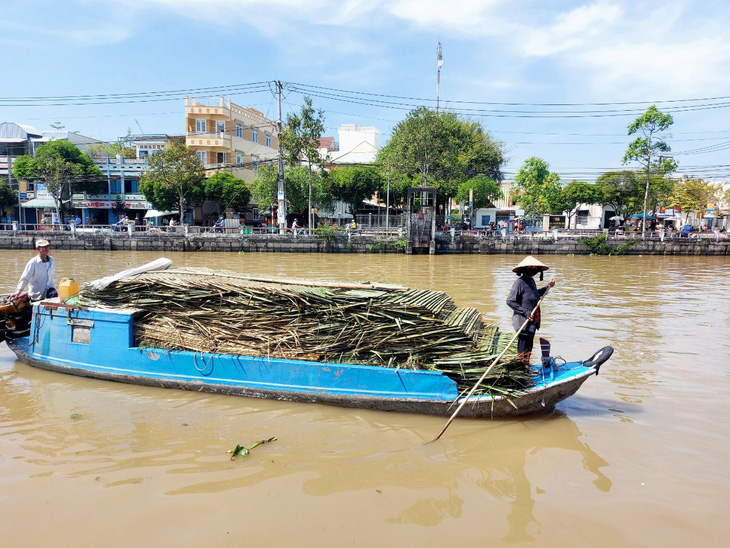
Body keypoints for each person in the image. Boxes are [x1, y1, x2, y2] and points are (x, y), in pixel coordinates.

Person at [506, 256, 556, 365]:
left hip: (531, 323)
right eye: (531, 267)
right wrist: (525, 312)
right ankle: (521, 371)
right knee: (522, 351)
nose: (533, 269)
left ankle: (525, 369)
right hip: (523, 324)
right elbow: (510, 301)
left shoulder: (531, 281)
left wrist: (548, 286)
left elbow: (535, 295)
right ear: (525, 268)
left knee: (529, 349)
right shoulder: (519, 283)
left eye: (534, 267)